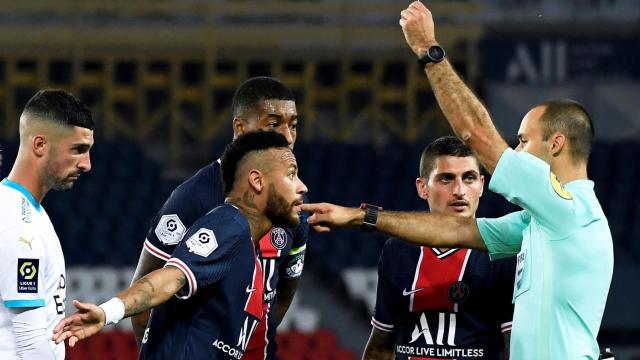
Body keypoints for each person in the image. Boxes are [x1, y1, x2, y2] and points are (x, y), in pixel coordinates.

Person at [301, 2, 614, 358]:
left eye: (524, 141)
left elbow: (476, 135)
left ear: (556, 144)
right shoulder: (540, 223)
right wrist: (360, 217)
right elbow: (455, 231)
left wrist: (428, 52)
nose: (517, 150)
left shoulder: (567, 210)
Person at [52, 131, 308, 360]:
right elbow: (168, 278)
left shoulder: (247, 248)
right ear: (257, 181)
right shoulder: (229, 225)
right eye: (291, 175)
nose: (302, 187)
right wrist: (108, 311)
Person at [131, 76, 308, 359]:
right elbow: (144, 299)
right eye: (274, 124)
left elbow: (282, 294)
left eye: (293, 125)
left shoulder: (292, 202)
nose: (287, 136)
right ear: (240, 127)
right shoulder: (192, 199)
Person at [363, 136, 515, 360]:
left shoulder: (501, 251)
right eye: (446, 179)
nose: (459, 190)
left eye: (469, 178)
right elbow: (381, 345)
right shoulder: (397, 250)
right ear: (422, 187)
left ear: (482, 186)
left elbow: (516, 349)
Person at [0, 89, 94, 359]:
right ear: (40, 144)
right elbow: (29, 342)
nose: (87, 164)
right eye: (78, 149)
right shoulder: (17, 224)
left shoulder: (28, 211)